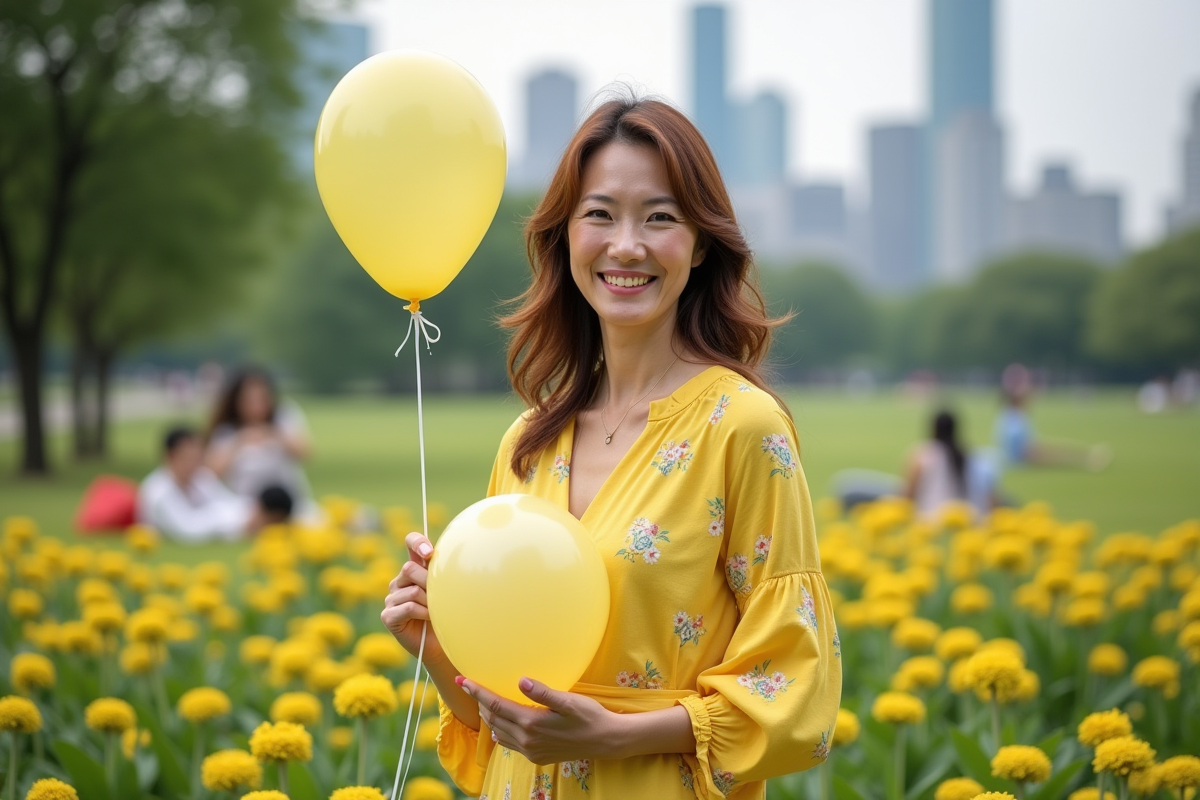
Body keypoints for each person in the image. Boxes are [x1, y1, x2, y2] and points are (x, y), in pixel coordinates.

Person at [381, 97, 841, 800]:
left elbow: (795, 688)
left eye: (659, 218)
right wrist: (437, 649)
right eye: (599, 214)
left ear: (701, 242)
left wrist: (618, 736)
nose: (626, 245)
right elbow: (499, 713)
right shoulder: (526, 443)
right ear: (565, 236)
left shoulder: (742, 428)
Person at [138, 426, 292, 543]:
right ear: (170, 456)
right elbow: (189, 530)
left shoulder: (199, 478)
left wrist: (256, 511)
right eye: (189, 457)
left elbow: (228, 502)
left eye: (198, 457)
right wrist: (241, 526)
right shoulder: (158, 492)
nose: (195, 463)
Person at [204, 367, 313, 504]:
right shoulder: (227, 430)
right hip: (245, 503)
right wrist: (239, 442)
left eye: (262, 399)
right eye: (249, 400)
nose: (257, 407)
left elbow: (305, 452)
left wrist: (274, 434)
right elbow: (210, 473)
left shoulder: (283, 416)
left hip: (287, 498)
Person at [903, 410, 996, 521]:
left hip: (931, 528)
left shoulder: (924, 455)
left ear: (933, 429)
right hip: (971, 526)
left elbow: (907, 497)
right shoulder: (973, 456)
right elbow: (991, 498)